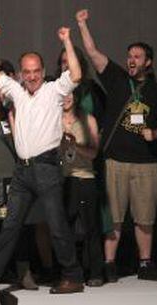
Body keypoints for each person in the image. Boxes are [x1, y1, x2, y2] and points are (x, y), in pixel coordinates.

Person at [0, 23, 84, 294]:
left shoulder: (54, 90)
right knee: (10, 225)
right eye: (27, 72)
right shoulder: (17, 92)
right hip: (23, 171)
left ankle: (73, 276)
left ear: (43, 72)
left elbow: (75, 73)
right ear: (21, 73)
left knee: (55, 225)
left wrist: (66, 40)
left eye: (36, 72)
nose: (31, 77)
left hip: (46, 167)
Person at [76, 9, 157, 282]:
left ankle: (144, 264)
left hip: (146, 163)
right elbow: (92, 52)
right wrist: (82, 24)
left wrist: (156, 133)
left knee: (145, 218)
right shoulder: (117, 78)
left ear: (148, 62)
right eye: (129, 56)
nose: (131, 60)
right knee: (114, 218)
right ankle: (109, 264)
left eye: (137, 57)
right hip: (115, 160)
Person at [61, 93, 103, 286]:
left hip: (85, 178)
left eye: (70, 93)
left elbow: (94, 152)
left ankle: (95, 273)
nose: (66, 97)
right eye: (63, 94)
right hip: (63, 180)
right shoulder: (53, 119)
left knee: (90, 227)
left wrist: (74, 145)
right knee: (65, 229)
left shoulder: (88, 120)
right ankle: (71, 273)